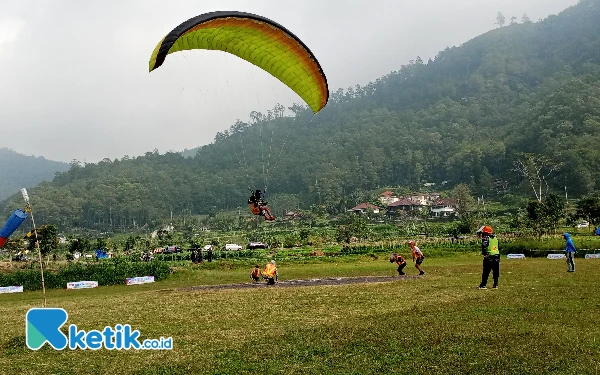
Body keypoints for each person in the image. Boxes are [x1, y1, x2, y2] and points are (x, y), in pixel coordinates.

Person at [477, 225, 499, 289]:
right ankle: (495, 285)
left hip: (489, 256)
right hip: (497, 255)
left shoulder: (486, 238)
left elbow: (484, 246)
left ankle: (483, 285)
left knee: (486, 271)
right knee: (496, 271)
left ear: (485, 232)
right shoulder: (495, 238)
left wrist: (484, 253)